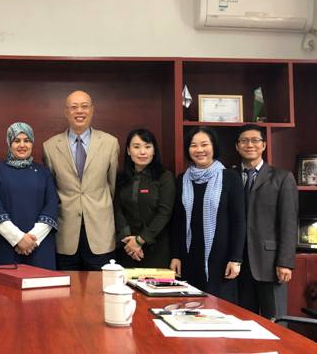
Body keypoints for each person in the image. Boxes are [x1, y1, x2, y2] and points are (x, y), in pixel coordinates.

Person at [43, 90, 119, 270]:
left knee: (101, 286)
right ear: (66, 112)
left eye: (84, 106)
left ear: (92, 110)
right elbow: (51, 191)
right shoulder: (50, 146)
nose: (79, 111)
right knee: (67, 286)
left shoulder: (110, 143)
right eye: (74, 107)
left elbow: (112, 185)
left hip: (101, 232)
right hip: (66, 233)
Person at [170, 126, 245, 303]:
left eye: (204, 144)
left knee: (220, 310)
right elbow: (177, 222)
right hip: (189, 257)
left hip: (221, 259)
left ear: (214, 147)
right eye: (193, 145)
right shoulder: (182, 179)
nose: (199, 150)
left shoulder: (230, 177)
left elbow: (239, 221)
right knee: (189, 308)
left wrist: (236, 259)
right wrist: (176, 255)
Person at [235, 124, 298, 319]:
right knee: (243, 321)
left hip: (270, 263)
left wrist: (285, 262)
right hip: (238, 264)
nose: (250, 145)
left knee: (275, 320)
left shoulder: (282, 177)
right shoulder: (230, 176)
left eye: (255, 140)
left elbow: (289, 223)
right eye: (244, 141)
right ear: (237, 146)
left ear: (264, 145)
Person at [0, 122, 59, 269]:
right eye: (17, 141)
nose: (22, 145)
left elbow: (52, 205)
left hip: (39, 247)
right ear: (9, 143)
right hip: (6, 246)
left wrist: (30, 241)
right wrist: (18, 239)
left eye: (27, 140)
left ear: (32, 143)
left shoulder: (44, 172)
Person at [114, 129, 175, 268]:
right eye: (136, 147)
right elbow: (117, 209)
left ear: (154, 151)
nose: (142, 152)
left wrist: (140, 240)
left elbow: (164, 214)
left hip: (156, 248)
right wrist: (130, 242)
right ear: (128, 151)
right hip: (127, 248)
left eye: (147, 147)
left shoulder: (164, 177)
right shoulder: (121, 178)